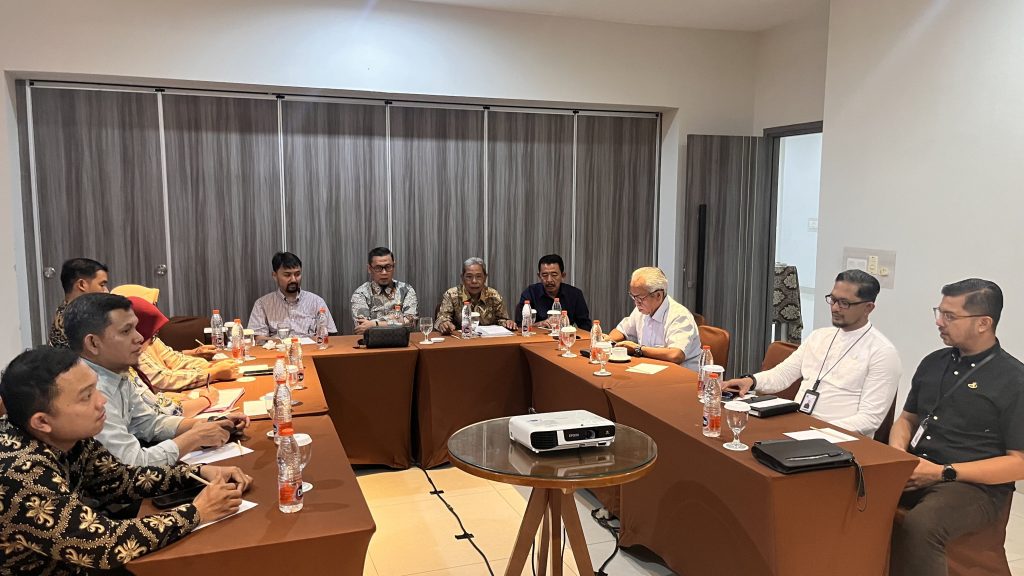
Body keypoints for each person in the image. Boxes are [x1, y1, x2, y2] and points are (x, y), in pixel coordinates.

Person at [0, 346, 252, 574]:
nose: (102, 401)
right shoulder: (19, 474)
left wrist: (196, 473)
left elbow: (120, 480)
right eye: (86, 396)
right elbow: (103, 545)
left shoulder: (67, 435)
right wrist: (197, 512)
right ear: (42, 421)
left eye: (95, 388)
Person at [888, 279, 1024, 576]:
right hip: (917, 468)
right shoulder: (933, 362)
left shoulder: (1014, 380)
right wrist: (900, 454)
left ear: (983, 323)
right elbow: (907, 419)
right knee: (852, 495)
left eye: (950, 316)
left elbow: (1019, 463)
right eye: (939, 312)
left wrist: (942, 472)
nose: (939, 322)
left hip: (974, 486)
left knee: (922, 525)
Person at [65, 293, 248, 467]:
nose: (139, 337)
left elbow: (149, 423)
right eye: (126, 331)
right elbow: (132, 463)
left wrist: (208, 423)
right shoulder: (90, 390)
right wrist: (195, 437)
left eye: (135, 328)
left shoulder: (115, 371)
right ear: (93, 343)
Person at [723, 270, 901, 437]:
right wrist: (751, 381)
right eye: (833, 299)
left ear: (868, 307)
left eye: (844, 303)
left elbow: (869, 419)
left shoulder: (882, 353)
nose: (835, 308)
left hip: (839, 440)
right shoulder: (819, 336)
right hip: (797, 427)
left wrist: (815, 432)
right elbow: (782, 375)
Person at [129, 296, 225, 418]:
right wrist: (207, 398)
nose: (138, 337)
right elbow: (158, 412)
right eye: (126, 330)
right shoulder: (124, 365)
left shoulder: (126, 364)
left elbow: (174, 359)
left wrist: (210, 367)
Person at [130, 296, 240, 392]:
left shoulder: (150, 340)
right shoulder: (132, 351)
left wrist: (212, 366)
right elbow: (163, 380)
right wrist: (213, 373)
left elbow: (176, 360)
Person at [606, 267, 702, 370]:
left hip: (680, 374)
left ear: (658, 295)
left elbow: (676, 355)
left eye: (640, 298)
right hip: (648, 369)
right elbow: (622, 331)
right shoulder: (642, 309)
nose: (636, 303)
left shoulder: (679, 316)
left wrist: (638, 349)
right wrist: (607, 340)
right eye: (633, 297)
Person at [248, 251, 337, 341]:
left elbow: (330, 335)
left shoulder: (316, 301)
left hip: (310, 348)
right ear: (275, 276)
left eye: (297, 274)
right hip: (278, 348)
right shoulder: (262, 304)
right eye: (287, 275)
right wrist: (282, 343)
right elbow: (259, 338)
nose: (293, 279)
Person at [435, 257, 516, 335]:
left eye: (478, 276)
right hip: (461, 339)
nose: (474, 281)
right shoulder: (451, 295)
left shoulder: (494, 296)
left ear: (485, 278)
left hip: (487, 341)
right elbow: (441, 319)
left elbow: (502, 319)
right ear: (462, 278)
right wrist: (444, 324)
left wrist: (507, 323)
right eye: (469, 277)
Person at [351, 247, 418, 335]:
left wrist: (374, 324)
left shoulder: (406, 290)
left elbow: (411, 323)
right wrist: (397, 320)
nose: (384, 272)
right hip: (372, 342)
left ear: (394, 266)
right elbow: (362, 327)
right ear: (369, 269)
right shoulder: (361, 294)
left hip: (402, 341)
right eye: (378, 268)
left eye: (388, 267)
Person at [515, 254, 592, 331]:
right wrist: (540, 324)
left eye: (554, 275)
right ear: (539, 276)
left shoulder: (575, 294)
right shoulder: (530, 293)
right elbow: (519, 325)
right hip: (536, 337)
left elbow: (585, 326)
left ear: (563, 276)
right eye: (545, 275)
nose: (549, 280)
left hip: (564, 337)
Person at [49, 257, 109, 348]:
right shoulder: (77, 321)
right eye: (102, 285)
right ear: (81, 285)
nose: (106, 291)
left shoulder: (65, 312)